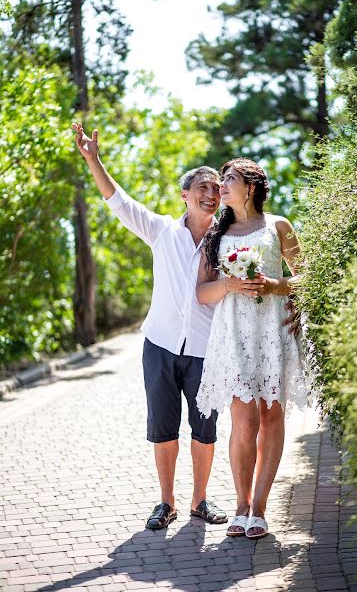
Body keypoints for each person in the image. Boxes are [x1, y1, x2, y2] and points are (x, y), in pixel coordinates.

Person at [72, 123, 299, 531]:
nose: (213, 194)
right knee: (163, 427)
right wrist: (93, 159)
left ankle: (203, 501)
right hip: (159, 343)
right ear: (186, 194)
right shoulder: (164, 231)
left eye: (219, 187)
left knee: (206, 430)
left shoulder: (228, 234)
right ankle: (166, 502)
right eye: (205, 187)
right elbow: (117, 201)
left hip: (207, 346)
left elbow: (288, 278)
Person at [196, 158, 308, 539]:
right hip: (235, 336)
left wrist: (274, 286)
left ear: (252, 186)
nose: (220, 187)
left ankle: (260, 508)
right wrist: (230, 285)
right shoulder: (216, 232)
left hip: (272, 332)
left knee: (272, 418)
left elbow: (307, 278)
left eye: (228, 180)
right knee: (244, 422)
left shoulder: (279, 226)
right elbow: (203, 292)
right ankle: (241, 505)